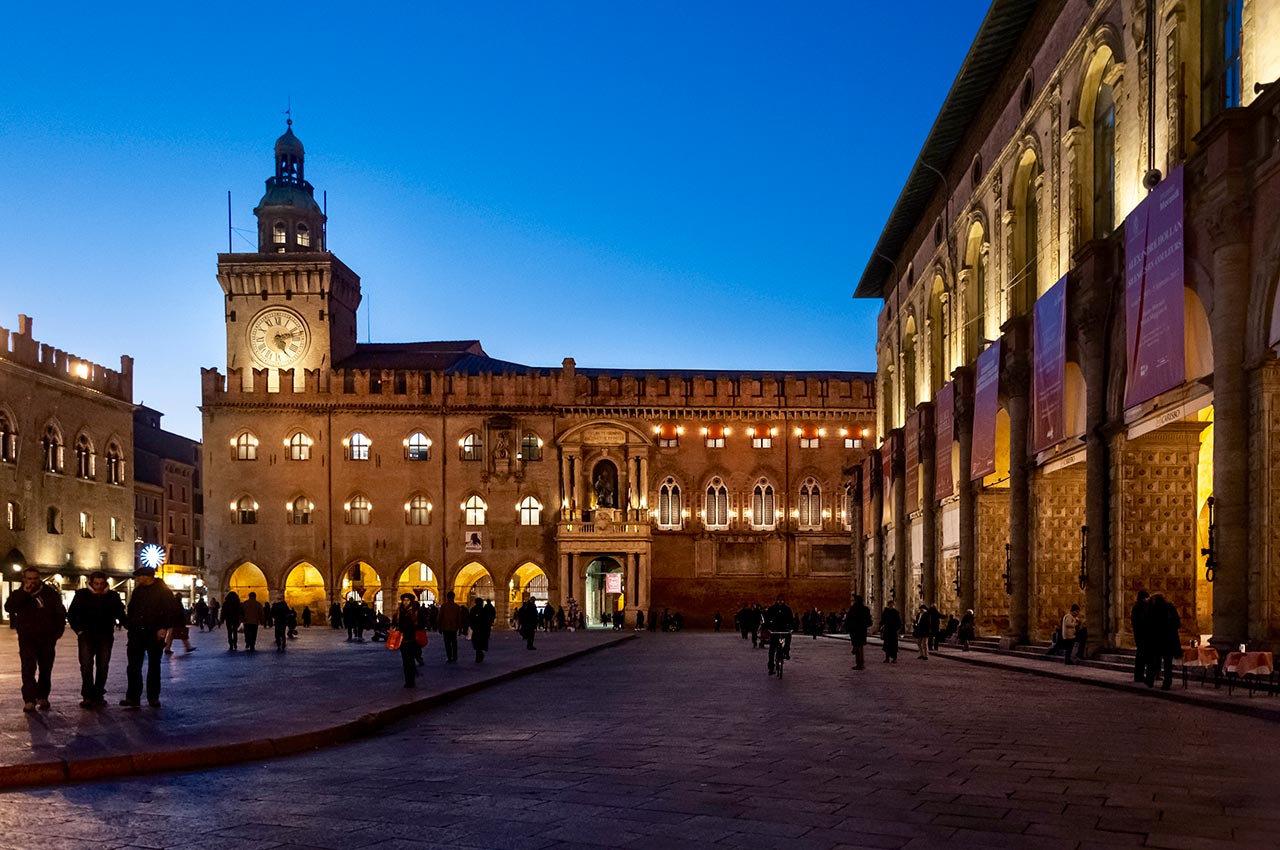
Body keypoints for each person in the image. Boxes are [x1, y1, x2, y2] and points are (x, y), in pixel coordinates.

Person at [5, 567, 67, 712]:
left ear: (39, 579)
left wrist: (57, 632)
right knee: (28, 668)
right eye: (29, 579)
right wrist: (24, 594)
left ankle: (43, 696)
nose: (32, 582)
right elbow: (9, 607)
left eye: (34, 579)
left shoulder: (50, 594)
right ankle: (29, 699)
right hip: (27, 638)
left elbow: (60, 613)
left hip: (47, 638)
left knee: (46, 668)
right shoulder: (18, 594)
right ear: (24, 579)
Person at [122, 564, 180, 708]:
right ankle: (133, 697)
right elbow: (132, 608)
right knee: (133, 666)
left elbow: (170, 611)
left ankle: (153, 696)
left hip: (154, 633)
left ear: (146, 577)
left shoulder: (163, 591)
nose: (137, 579)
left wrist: (164, 627)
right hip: (136, 633)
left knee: (154, 666)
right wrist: (130, 625)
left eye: (139, 576)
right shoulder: (138, 591)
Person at [67, 570, 126, 708]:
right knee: (86, 665)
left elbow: (120, 614)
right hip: (86, 635)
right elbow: (71, 614)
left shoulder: (112, 596)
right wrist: (79, 630)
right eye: (96, 583)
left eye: (101, 583)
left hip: (105, 635)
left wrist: (131, 626)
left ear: (105, 583)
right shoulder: (82, 595)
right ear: (91, 583)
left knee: (103, 666)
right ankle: (87, 695)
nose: (98, 586)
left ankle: (98, 694)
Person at [394, 593, 428, 687]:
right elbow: (395, 623)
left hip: (413, 640)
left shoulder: (416, 612)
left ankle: (411, 681)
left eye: (407, 600)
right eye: (404, 600)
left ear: (411, 601)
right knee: (405, 662)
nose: (405, 602)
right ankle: (407, 680)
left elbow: (423, 623)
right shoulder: (399, 612)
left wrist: (416, 626)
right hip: (403, 641)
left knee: (411, 661)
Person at [1148, 594, 1181, 690]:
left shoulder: (1153, 609)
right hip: (1169, 640)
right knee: (1168, 663)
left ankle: (1150, 680)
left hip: (1156, 639)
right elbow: (1177, 623)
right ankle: (1167, 682)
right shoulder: (1169, 608)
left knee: (1153, 661)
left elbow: (1149, 624)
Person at [763, 595, 794, 675]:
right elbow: (767, 619)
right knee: (772, 649)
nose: (780, 601)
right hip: (774, 630)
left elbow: (791, 620)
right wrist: (768, 628)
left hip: (784, 630)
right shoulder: (772, 609)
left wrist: (791, 628)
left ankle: (786, 652)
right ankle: (771, 667)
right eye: (779, 600)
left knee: (788, 638)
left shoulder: (787, 609)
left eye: (782, 600)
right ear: (776, 600)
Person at [437, 591, 467, 663]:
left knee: (447, 643)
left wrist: (439, 627)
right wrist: (460, 629)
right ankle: (455, 656)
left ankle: (449, 657)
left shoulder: (444, 606)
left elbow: (439, 617)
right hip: (454, 628)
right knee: (454, 642)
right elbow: (459, 619)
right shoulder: (457, 607)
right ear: (454, 597)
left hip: (446, 627)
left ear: (447, 597)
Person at [845, 594, 872, 670]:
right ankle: (862, 663)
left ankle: (859, 664)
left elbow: (849, 620)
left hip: (855, 630)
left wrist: (848, 628)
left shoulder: (853, 609)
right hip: (862, 630)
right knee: (861, 646)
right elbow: (869, 620)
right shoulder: (865, 609)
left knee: (857, 646)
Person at [1130, 590, 1150, 683]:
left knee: (1141, 656)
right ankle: (1139, 675)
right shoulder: (1142, 607)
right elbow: (1144, 621)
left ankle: (1139, 675)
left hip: (1139, 635)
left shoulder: (1136, 607)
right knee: (1142, 656)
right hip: (1143, 635)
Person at [470, 597, 494, 662]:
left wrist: (472, 626)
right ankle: (479, 655)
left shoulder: (474, 610)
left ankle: (478, 655)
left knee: (477, 643)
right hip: (481, 629)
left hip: (477, 629)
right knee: (479, 643)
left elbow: (470, 619)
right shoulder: (483, 610)